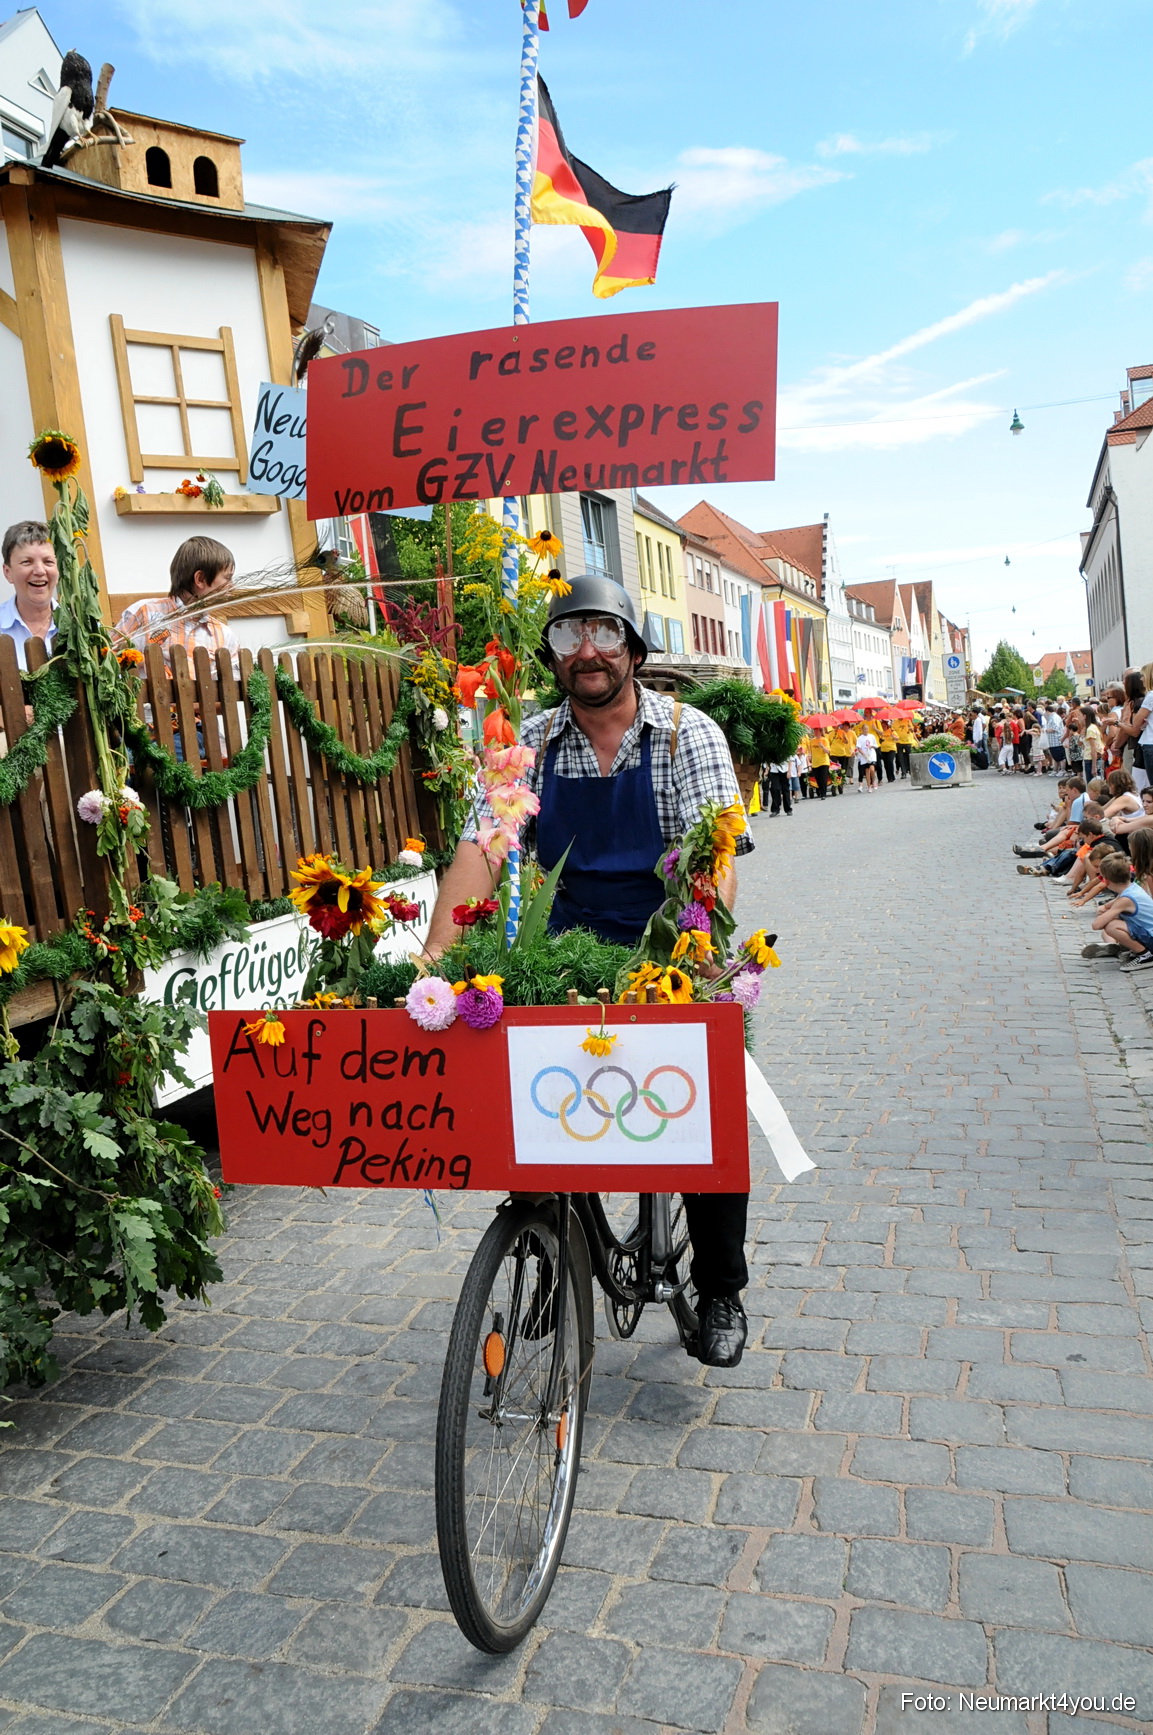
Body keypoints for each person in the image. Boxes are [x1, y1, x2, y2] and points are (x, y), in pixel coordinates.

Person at [423, 573, 754, 1368]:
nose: (590, 650)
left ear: (634, 647)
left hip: (673, 939)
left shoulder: (687, 734)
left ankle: (718, 1285)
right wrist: (435, 961)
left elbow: (714, 864)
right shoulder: (526, 744)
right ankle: (549, 1259)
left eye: (605, 632)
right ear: (553, 654)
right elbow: (481, 849)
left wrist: (691, 963)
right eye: (570, 635)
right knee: (534, 1107)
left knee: (705, 1115)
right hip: (565, 946)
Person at [114, 535, 240, 670]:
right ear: (200, 579)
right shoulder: (144, 614)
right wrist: (146, 663)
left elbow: (233, 684)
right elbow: (107, 656)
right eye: (228, 578)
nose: (232, 587)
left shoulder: (224, 635)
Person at [1082, 835, 1153, 971]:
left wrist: (1107, 913)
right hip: (1147, 931)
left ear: (1107, 881)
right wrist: (1106, 909)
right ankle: (1125, 947)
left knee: (1111, 926)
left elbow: (1096, 925)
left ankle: (1145, 955)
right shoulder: (1131, 888)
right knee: (1113, 919)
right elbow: (1108, 906)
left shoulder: (1126, 899)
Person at [1, 520, 58, 668]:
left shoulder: (83, 628)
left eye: (48, 562)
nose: (39, 571)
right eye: (27, 562)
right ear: (8, 572)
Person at [807, 728, 831, 799]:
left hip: (824, 762)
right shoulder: (811, 741)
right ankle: (820, 791)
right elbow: (810, 752)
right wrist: (809, 760)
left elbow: (828, 751)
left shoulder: (824, 740)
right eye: (814, 731)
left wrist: (822, 746)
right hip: (815, 763)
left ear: (820, 732)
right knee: (817, 779)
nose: (815, 732)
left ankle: (823, 794)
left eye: (817, 731)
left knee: (823, 778)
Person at [892, 709, 916, 778]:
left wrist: (910, 728)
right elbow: (892, 731)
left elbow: (912, 730)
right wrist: (894, 736)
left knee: (909, 757)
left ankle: (910, 770)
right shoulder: (895, 722)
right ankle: (903, 772)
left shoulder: (907, 721)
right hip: (899, 742)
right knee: (900, 758)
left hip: (907, 741)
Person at [855, 724, 879, 791]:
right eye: (864, 729)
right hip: (864, 756)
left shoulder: (872, 736)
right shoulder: (860, 738)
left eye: (867, 729)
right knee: (867, 771)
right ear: (862, 730)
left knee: (872, 769)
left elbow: (875, 745)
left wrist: (871, 746)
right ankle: (869, 786)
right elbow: (859, 748)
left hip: (871, 755)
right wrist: (864, 754)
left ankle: (873, 780)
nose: (866, 730)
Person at [876, 715, 898, 783]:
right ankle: (889, 777)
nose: (883, 726)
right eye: (882, 725)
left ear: (887, 725)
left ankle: (892, 777)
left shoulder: (891, 731)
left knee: (890, 762)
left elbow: (897, 738)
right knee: (886, 764)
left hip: (891, 749)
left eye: (884, 725)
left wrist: (893, 736)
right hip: (883, 750)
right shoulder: (880, 732)